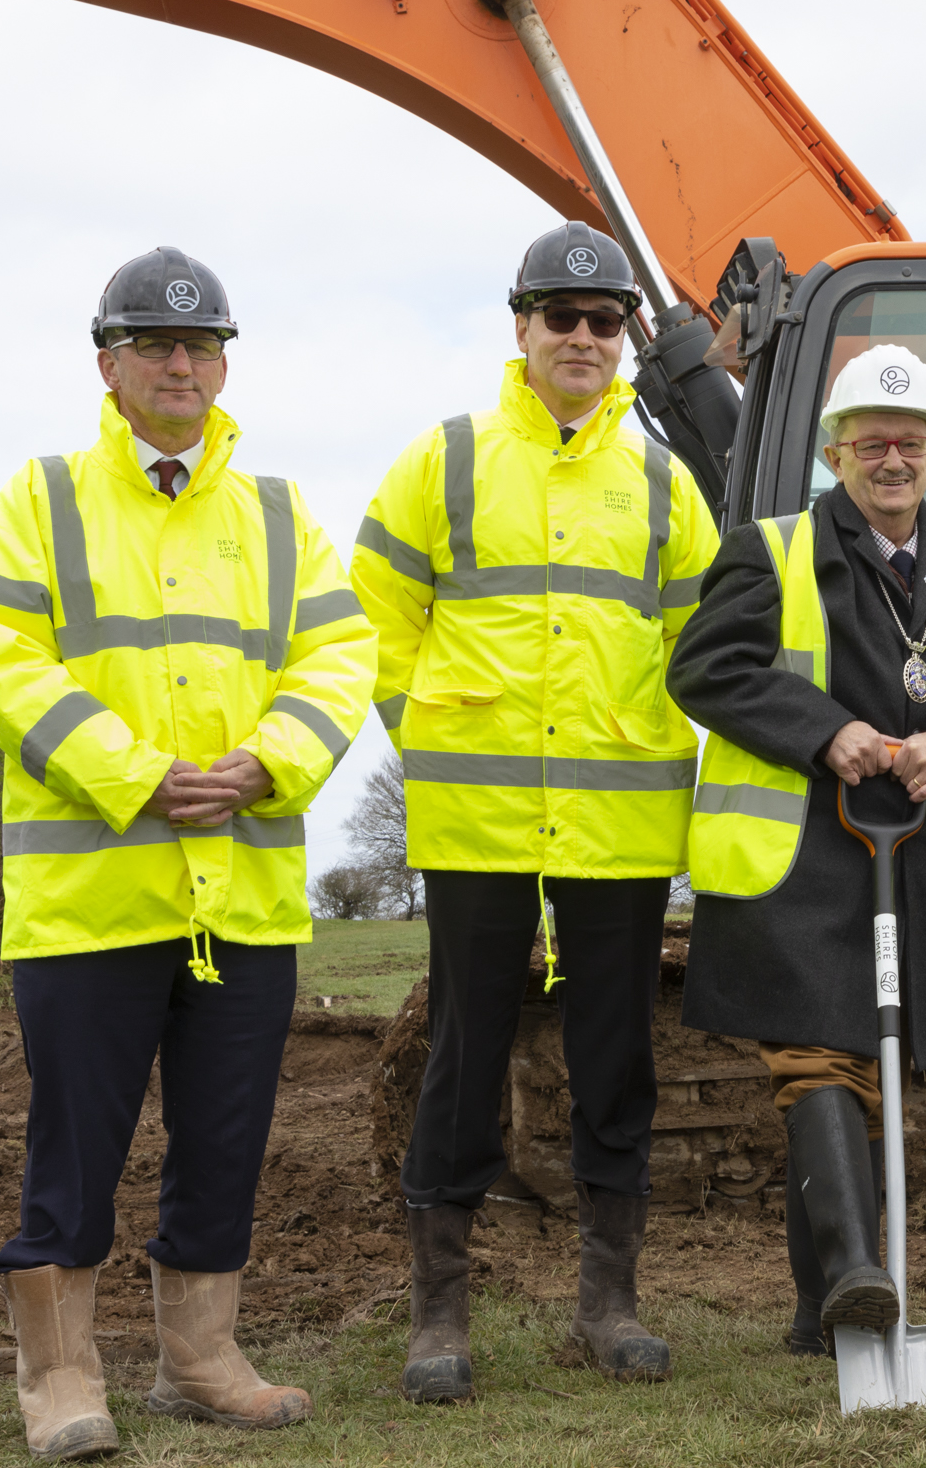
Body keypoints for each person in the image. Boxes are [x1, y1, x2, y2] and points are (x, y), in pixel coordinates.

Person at [0, 247, 377, 1459]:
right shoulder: (42, 498)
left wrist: (271, 761)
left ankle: (200, 1357)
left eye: (197, 345)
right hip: (95, 892)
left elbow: (339, 660)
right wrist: (130, 773)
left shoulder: (283, 513)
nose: (178, 362)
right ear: (109, 363)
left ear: (225, 363)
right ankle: (60, 1373)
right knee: (76, 1138)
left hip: (240, 893)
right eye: (152, 344)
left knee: (225, 1131)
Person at [352, 222, 721, 1403]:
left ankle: (608, 1304)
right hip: (477, 826)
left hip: (618, 826)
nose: (582, 336)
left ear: (627, 340)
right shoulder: (444, 462)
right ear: (520, 327)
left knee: (617, 1059)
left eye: (605, 320)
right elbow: (374, 623)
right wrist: (433, 731)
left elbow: (702, 640)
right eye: (560, 316)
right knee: (464, 1058)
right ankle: (439, 1313)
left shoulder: (663, 484)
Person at [668, 343, 926, 1357]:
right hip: (800, 860)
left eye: (912, 442)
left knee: (870, 1067)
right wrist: (820, 727)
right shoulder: (773, 549)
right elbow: (706, 669)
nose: (893, 459)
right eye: (872, 442)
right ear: (837, 452)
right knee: (814, 1055)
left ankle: (821, 1313)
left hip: (917, 861)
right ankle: (853, 1269)